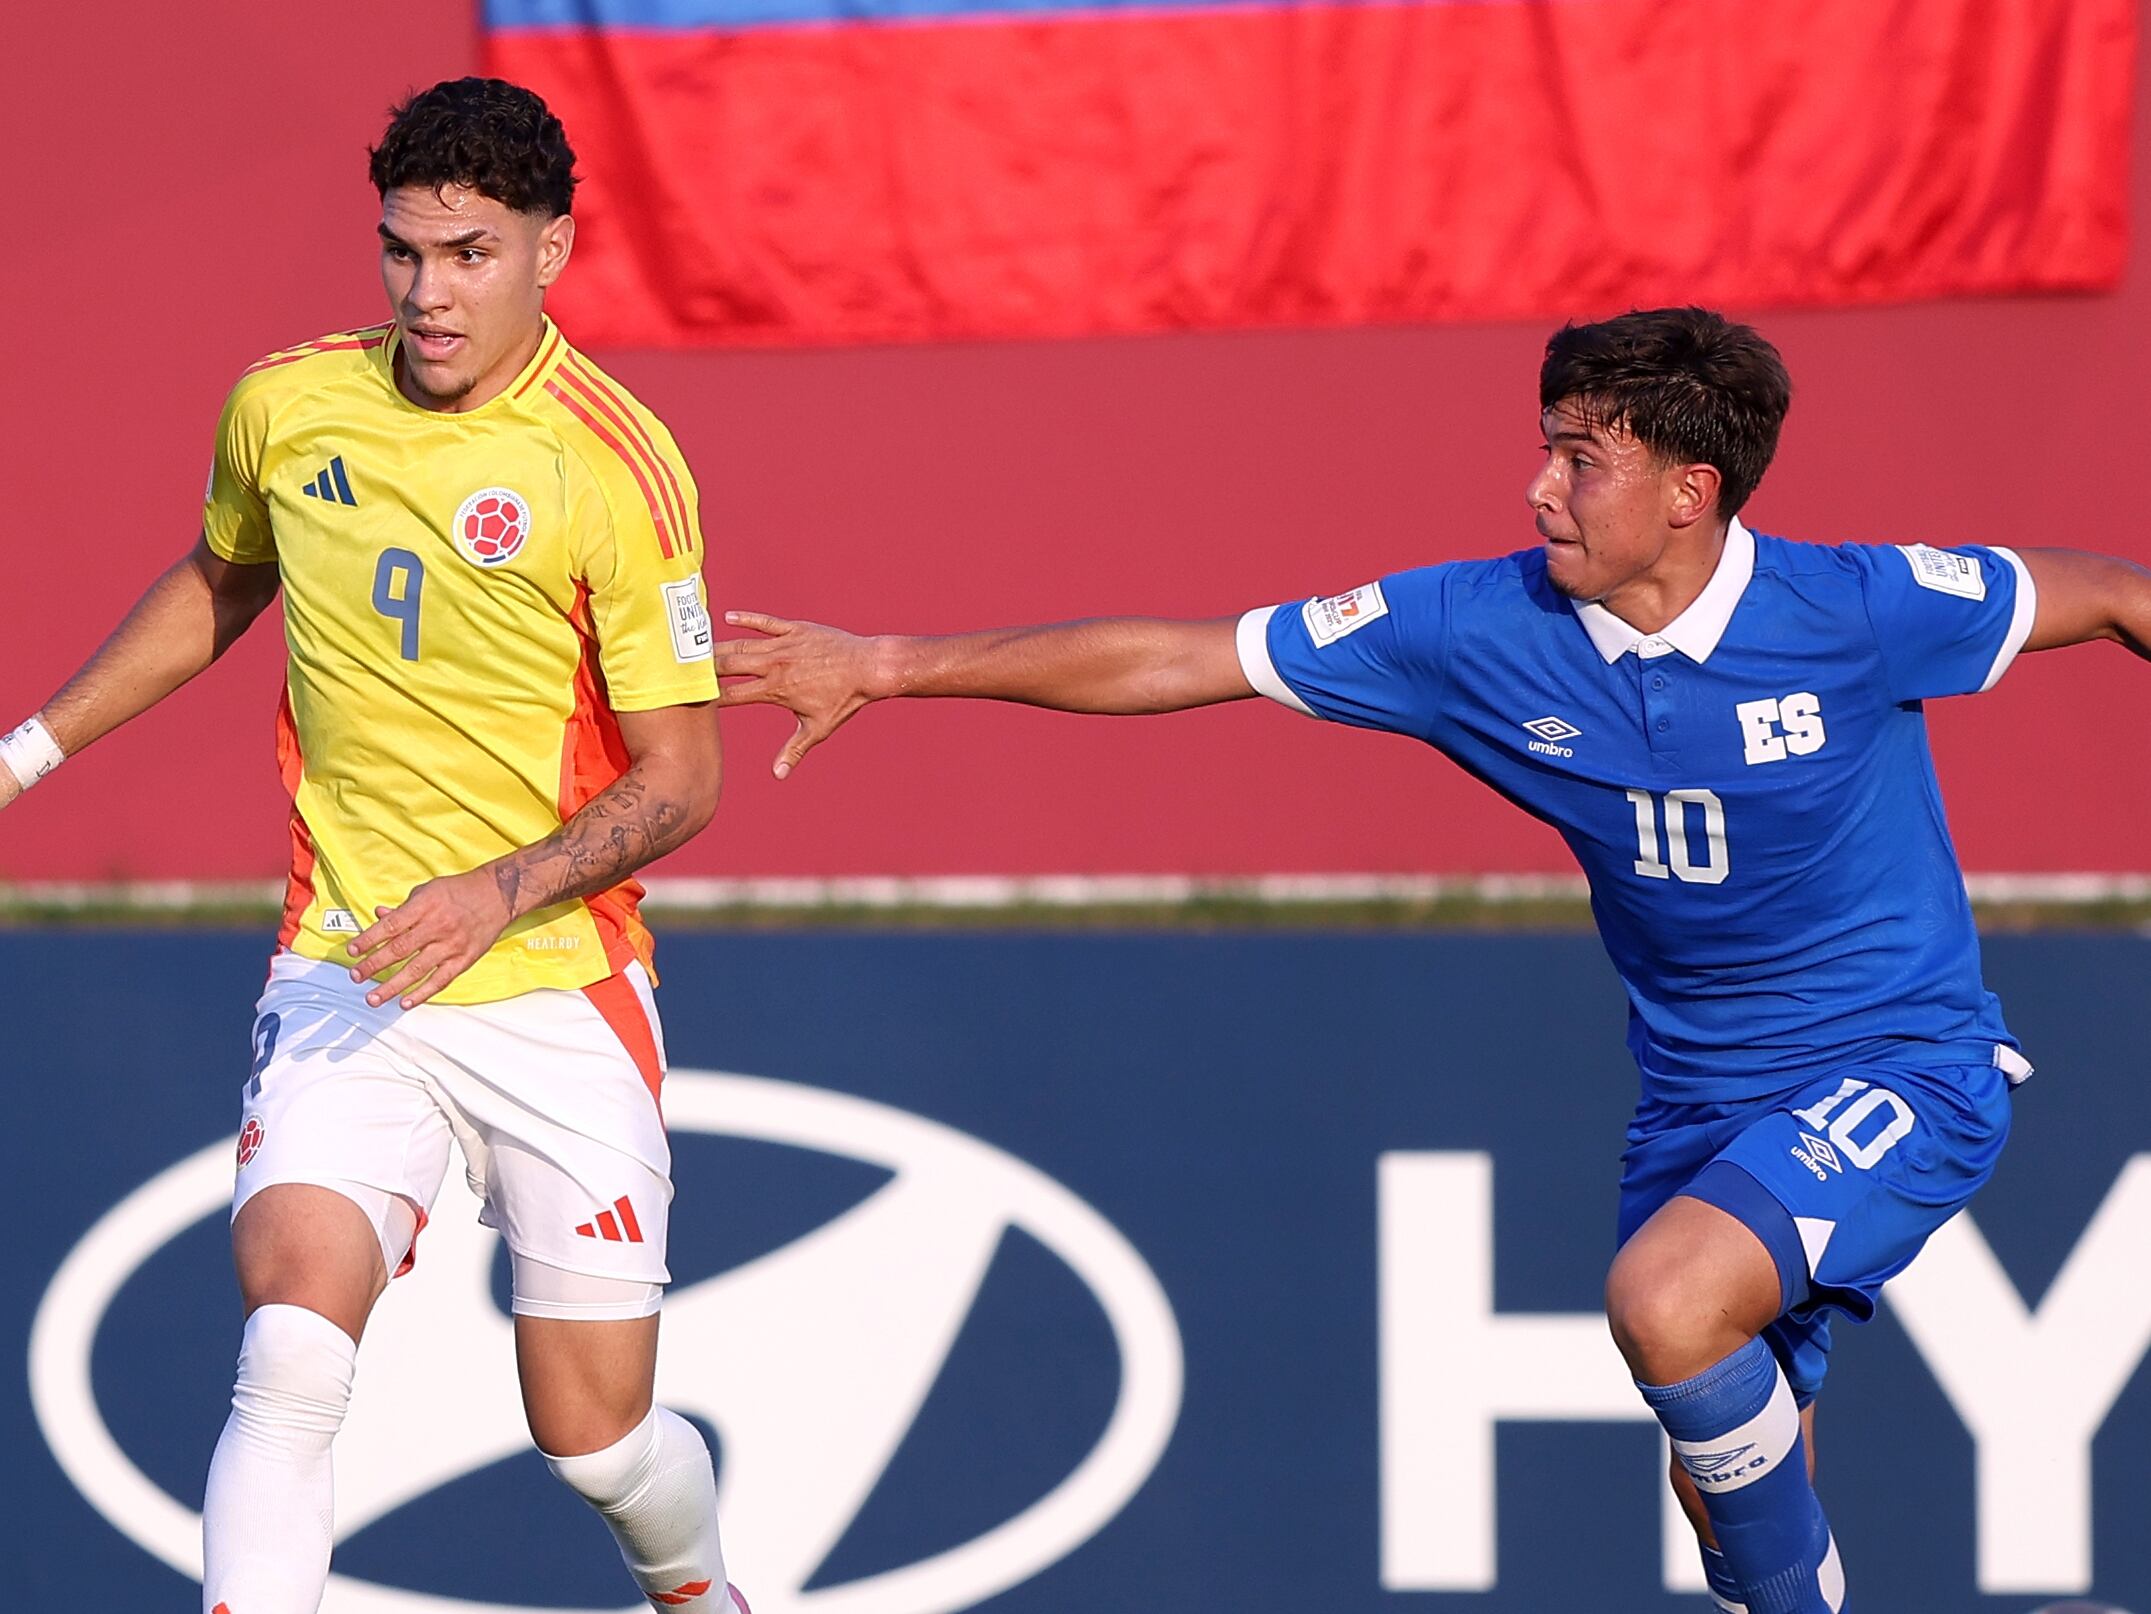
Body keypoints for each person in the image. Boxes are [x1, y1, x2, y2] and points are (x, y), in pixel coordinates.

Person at [709, 305, 2150, 1613]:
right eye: (1546, 448)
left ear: (1689, 490)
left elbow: (2107, 593)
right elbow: (1186, 659)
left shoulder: (1860, 608)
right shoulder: (1475, 628)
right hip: (1696, 1100)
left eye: (1581, 460)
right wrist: (888, 665)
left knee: (1666, 1301)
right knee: (1720, 1454)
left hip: (1903, 1060)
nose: (1539, 489)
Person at [0, 77, 746, 1614]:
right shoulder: (287, 406)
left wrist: (499, 889)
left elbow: (684, 779)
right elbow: (221, 580)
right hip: (347, 964)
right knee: (289, 1347)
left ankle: (702, 1594)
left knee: (597, 1441)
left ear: (551, 249)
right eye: (403, 251)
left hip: (554, 986)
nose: (428, 293)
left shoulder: (616, 464)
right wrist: (25, 753)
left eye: (470, 254)